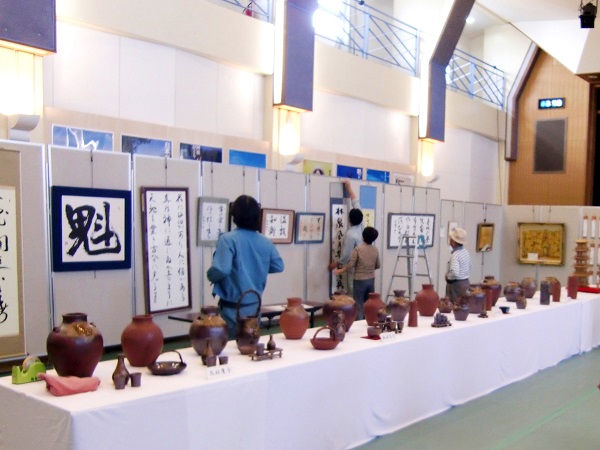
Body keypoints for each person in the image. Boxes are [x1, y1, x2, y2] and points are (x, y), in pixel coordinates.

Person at [207, 195, 284, 339]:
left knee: (231, 350)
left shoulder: (228, 239)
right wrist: (258, 265)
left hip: (232, 309)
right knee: (250, 344)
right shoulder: (265, 241)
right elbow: (278, 266)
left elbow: (221, 269)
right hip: (255, 306)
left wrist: (210, 275)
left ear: (234, 215)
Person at [334, 226, 381, 320]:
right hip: (371, 279)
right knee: (369, 302)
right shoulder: (375, 249)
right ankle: (370, 321)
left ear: (363, 237)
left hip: (359, 280)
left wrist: (340, 270)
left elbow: (350, 264)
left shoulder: (358, 249)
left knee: (358, 303)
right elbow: (378, 265)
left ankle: (359, 323)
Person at [328, 180, 364, 294]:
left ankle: (355, 311)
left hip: (354, 267)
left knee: (353, 291)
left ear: (349, 219)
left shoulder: (350, 235)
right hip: (364, 267)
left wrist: (336, 263)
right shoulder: (361, 224)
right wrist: (349, 187)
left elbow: (346, 254)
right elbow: (355, 202)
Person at [445, 227, 472, 303]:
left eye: (451, 239)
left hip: (456, 286)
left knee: (455, 306)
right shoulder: (466, 252)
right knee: (464, 305)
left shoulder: (455, 255)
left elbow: (454, 273)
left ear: (453, 242)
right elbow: (470, 267)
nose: (449, 240)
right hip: (465, 283)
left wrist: (447, 276)